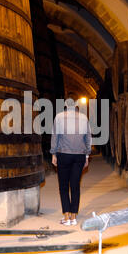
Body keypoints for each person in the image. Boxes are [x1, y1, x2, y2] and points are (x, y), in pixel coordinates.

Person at [50, 94, 92, 226]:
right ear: (76, 105)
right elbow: (88, 138)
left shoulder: (59, 117)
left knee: (63, 186)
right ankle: (74, 217)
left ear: (65, 105)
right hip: (79, 155)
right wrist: (87, 155)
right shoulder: (84, 118)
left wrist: (53, 153)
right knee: (75, 186)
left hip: (64, 155)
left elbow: (55, 136)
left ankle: (66, 217)